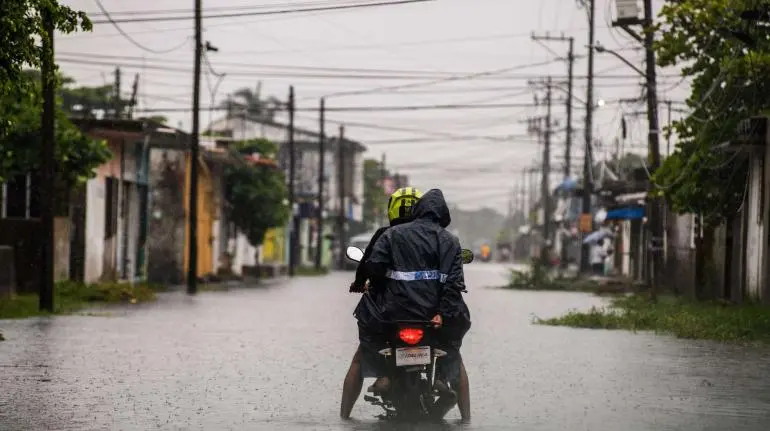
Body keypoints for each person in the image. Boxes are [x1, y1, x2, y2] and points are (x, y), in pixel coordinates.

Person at [361, 189, 472, 421]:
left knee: (368, 329)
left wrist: (376, 286)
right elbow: (454, 284)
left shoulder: (392, 235)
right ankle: (459, 407)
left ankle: (382, 375)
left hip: (394, 314)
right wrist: (442, 313)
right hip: (433, 318)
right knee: (454, 345)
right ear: (443, 214)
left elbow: (374, 267)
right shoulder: (450, 241)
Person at [340, 187, 423, 420]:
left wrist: (359, 282)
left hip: (387, 312)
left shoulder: (385, 235)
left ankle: (344, 418)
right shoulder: (433, 237)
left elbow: (368, 265)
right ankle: (454, 398)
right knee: (453, 356)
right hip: (428, 311)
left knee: (360, 357)